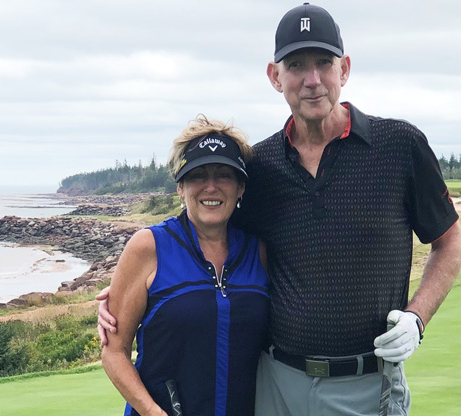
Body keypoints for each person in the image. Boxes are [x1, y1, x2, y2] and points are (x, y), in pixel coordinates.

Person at [98, 3, 461, 415]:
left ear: (344, 69)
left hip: (367, 382)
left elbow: (449, 241)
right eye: (296, 65)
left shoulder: (399, 144)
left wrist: (417, 317)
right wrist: (136, 287)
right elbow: (212, 241)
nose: (312, 80)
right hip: (275, 387)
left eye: (323, 63)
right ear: (275, 76)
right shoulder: (260, 166)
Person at [101, 116, 269, 416]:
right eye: (197, 176)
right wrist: (153, 412)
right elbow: (114, 351)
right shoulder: (149, 246)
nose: (211, 187)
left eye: (224, 175)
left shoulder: (258, 251)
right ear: (180, 188)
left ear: (240, 187)